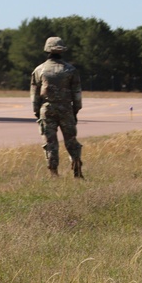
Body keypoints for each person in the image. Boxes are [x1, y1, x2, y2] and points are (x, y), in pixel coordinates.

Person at [30, 36, 83, 178]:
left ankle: (53, 172)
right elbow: (77, 93)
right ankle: (77, 167)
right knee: (71, 139)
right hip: (66, 109)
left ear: (47, 50)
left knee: (50, 142)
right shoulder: (71, 70)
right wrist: (75, 110)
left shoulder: (39, 70)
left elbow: (34, 95)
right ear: (62, 51)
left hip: (47, 109)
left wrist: (36, 111)